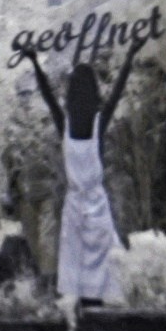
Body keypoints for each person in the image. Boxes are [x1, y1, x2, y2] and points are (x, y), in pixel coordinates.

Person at [27, 54, 121, 311]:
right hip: (92, 205)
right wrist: (132, 55)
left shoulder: (66, 124)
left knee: (80, 276)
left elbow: (47, 96)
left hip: (77, 206)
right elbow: (117, 93)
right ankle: (95, 322)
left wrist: (35, 63)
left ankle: (86, 326)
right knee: (99, 274)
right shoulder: (97, 125)